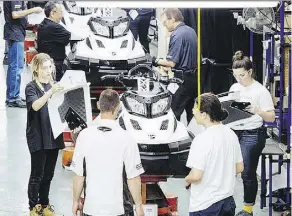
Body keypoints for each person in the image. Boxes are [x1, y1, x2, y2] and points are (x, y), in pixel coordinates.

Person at [71, 89, 145, 216]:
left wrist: (76, 201)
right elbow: (133, 178)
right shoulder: (127, 138)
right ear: (118, 107)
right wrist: (138, 206)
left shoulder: (84, 136)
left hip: (91, 209)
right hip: (119, 210)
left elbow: (79, 176)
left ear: (98, 105)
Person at [229, 51, 275, 216]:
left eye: (242, 75)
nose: (239, 79)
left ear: (250, 72)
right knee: (230, 169)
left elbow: (271, 117)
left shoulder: (260, 91)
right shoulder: (235, 87)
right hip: (234, 131)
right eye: (235, 76)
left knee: (247, 172)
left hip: (252, 133)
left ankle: (248, 209)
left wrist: (258, 110)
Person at [185, 93, 244, 216]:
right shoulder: (231, 134)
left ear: (204, 115)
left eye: (195, 108)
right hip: (227, 203)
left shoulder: (201, 139)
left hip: (204, 205)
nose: (192, 111)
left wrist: (187, 180)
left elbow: (196, 176)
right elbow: (239, 167)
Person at [25, 53, 65, 216]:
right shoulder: (31, 87)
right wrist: (50, 93)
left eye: (50, 67)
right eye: (44, 68)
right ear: (36, 69)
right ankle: (34, 206)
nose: (48, 71)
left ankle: (45, 203)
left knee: (48, 174)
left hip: (53, 135)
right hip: (38, 136)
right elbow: (35, 106)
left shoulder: (54, 85)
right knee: (37, 174)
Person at [152, 8, 198, 125]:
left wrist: (155, 61)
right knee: (191, 114)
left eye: (165, 23)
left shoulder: (177, 35)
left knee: (172, 113)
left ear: (172, 19)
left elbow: (171, 63)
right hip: (193, 79)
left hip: (182, 80)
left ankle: (172, 140)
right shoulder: (191, 31)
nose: (165, 26)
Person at [4, 1, 42, 108]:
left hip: (17, 33)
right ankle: (13, 98)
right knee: (16, 67)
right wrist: (33, 10)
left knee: (14, 67)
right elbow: (15, 14)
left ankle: (12, 96)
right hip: (15, 33)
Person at [37, 2, 71, 81]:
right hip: (54, 66)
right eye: (61, 12)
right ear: (52, 13)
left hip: (45, 64)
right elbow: (69, 37)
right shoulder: (54, 27)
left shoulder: (43, 24)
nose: (62, 16)